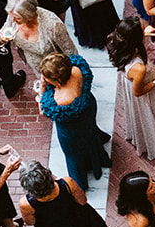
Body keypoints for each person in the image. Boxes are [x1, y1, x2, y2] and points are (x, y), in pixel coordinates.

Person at [107, 18, 155, 165]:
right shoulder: (138, 68)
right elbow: (138, 92)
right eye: (141, 30)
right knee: (151, 117)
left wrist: (145, 33)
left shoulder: (118, 42)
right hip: (144, 92)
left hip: (135, 80)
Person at [19, 159, 111, 227]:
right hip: (79, 217)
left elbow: (30, 222)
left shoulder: (26, 203)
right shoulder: (67, 183)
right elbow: (82, 201)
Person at [39, 52, 110, 190]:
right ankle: (97, 155)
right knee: (90, 132)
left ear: (57, 81)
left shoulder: (60, 100)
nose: (45, 79)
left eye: (47, 78)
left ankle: (80, 183)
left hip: (72, 129)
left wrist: (42, 88)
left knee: (72, 155)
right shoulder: (76, 69)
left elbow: (43, 111)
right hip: (88, 108)